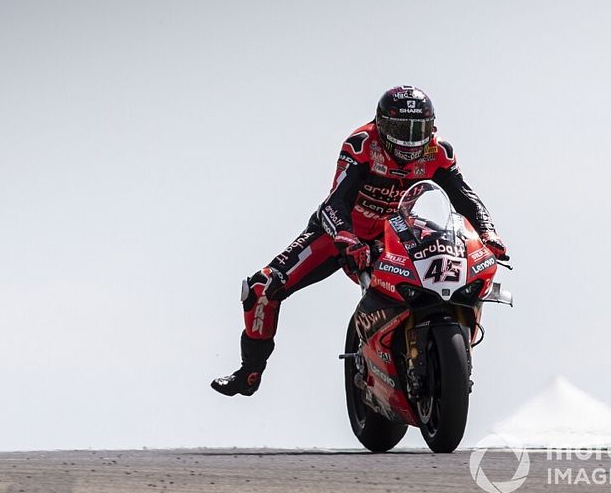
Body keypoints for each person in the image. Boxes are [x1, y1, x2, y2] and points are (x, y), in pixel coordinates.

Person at [211, 85, 509, 397]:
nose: (409, 140)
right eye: (399, 129)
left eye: (417, 130)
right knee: (261, 288)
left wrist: (488, 233)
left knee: (446, 271)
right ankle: (249, 371)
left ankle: (432, 355)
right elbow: (334, 202)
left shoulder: (439, 152)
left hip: (392, 234)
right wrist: (346, 238)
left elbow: (465, 198)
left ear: (432, 128)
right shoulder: (362, 145)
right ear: (381, 124)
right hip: (339, 232)